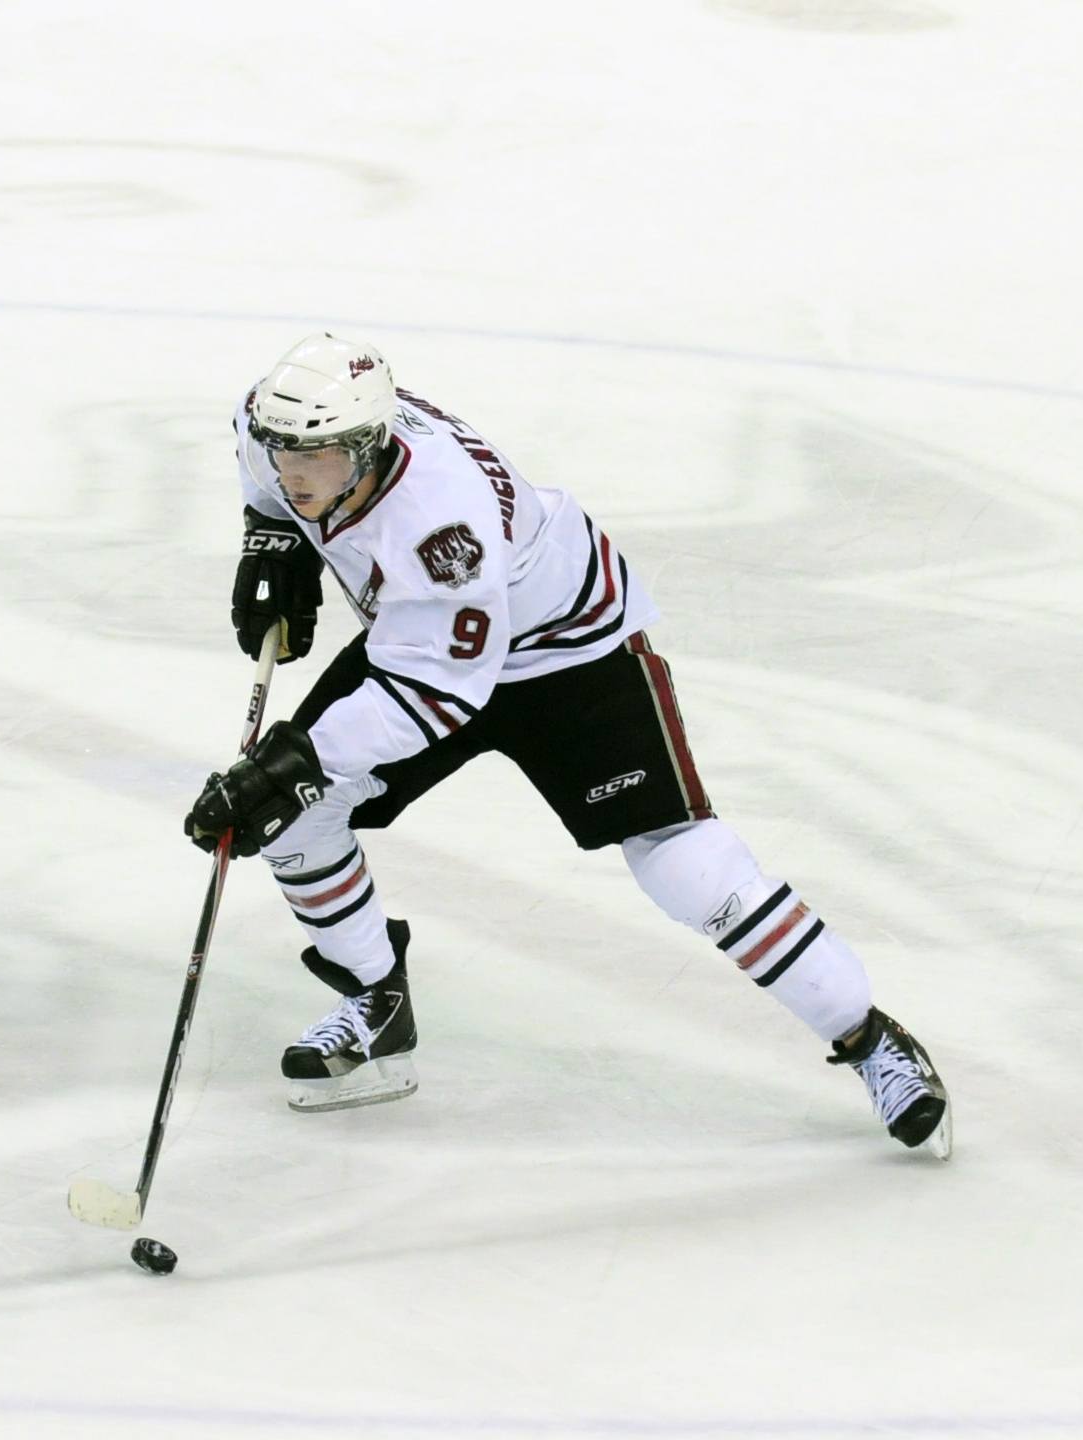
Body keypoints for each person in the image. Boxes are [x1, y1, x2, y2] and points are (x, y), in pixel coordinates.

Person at [182, 333, 949, 1156]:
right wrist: (272, 541)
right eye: (283, 455)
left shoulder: (445, 521)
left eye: (318, 461)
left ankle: (868, 1038)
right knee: (298, 819)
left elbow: (438, 697)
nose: (294, 475)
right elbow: (268, 482)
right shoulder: (276, 428)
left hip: (565, 655)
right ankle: (378, 1001)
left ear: (369, 446)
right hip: (424, 644)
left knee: (685, 866)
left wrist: (288, 764)